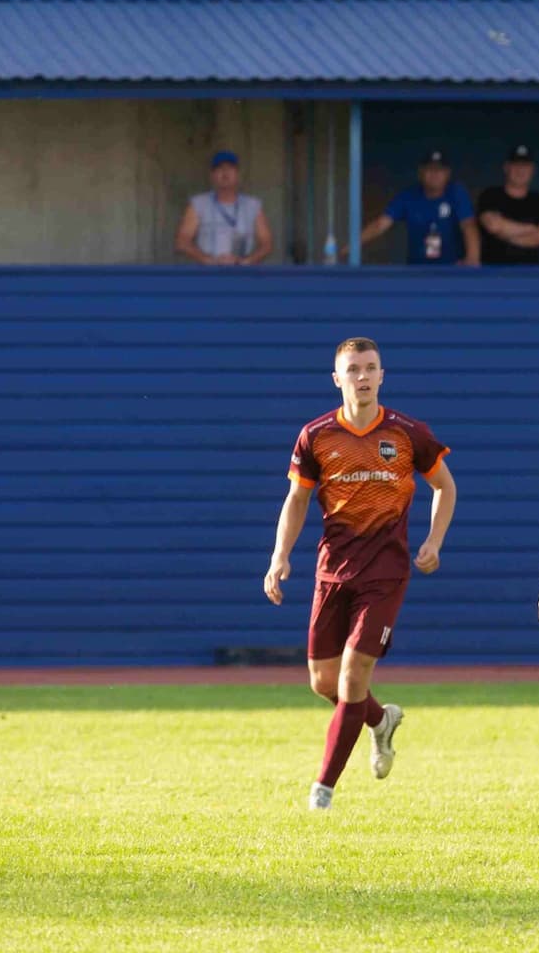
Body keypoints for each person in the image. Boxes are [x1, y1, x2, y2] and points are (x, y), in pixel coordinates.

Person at [264, 337, 457, 811]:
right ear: (338, 379)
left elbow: (445, 486)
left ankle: (322, 791)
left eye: (371, 368)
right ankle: (380, 720)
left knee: (352, 677)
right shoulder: (317, 435)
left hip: (386, 573)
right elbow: (297, 500)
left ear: (382, 375)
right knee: (323, 682)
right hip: (333, 571)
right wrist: (279, 556)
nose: (363, 377)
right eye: (353, 369)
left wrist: (433, 541)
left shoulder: (408, 433)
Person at [361, 150, 479, 267]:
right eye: (430, 169)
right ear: (420, 172)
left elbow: (468, 225)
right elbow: (380, 225)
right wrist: (351, 247)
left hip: (451, 269)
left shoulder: (456, 192)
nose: (435, 174)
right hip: (418, 270)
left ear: (448, 173)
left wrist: (472, 259)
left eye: (440, 170)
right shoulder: (408, 196)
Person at [175, 150, 273, 265]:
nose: (225, 173)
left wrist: (246, 261)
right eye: (219, 168)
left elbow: (267, 244)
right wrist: (209, 260)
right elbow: (182, 241)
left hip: (243, 272)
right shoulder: (198, 204)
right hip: (209, 273)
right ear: (212, 175)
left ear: (238, 174)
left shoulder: (253, 205)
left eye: (230, 168)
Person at [477, 144, 539, 265]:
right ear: (506, 167)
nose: (520, 170)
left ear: (532, 169)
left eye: (525, 165)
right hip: (493, 272)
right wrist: (531, 229)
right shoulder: (491, 195)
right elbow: (494, 226)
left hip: (531, 275)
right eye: (516, 165)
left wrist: (506, 235)